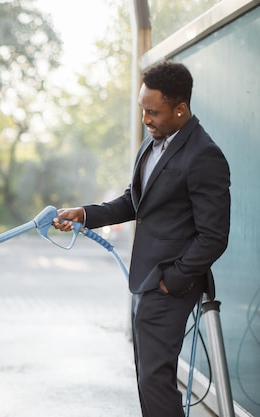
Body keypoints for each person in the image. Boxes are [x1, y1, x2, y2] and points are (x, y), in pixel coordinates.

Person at [52, 61, 230, 417]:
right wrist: (85, 214)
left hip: (169, 284)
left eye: (153, 112)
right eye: (142, 110)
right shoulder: (151, 145)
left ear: (180, 109)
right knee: (148, 378)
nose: (146, 119)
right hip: (146, 282)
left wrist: (172, 280)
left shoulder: (204, 155)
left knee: (154, 379)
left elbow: (214, 236)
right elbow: (135, 201)